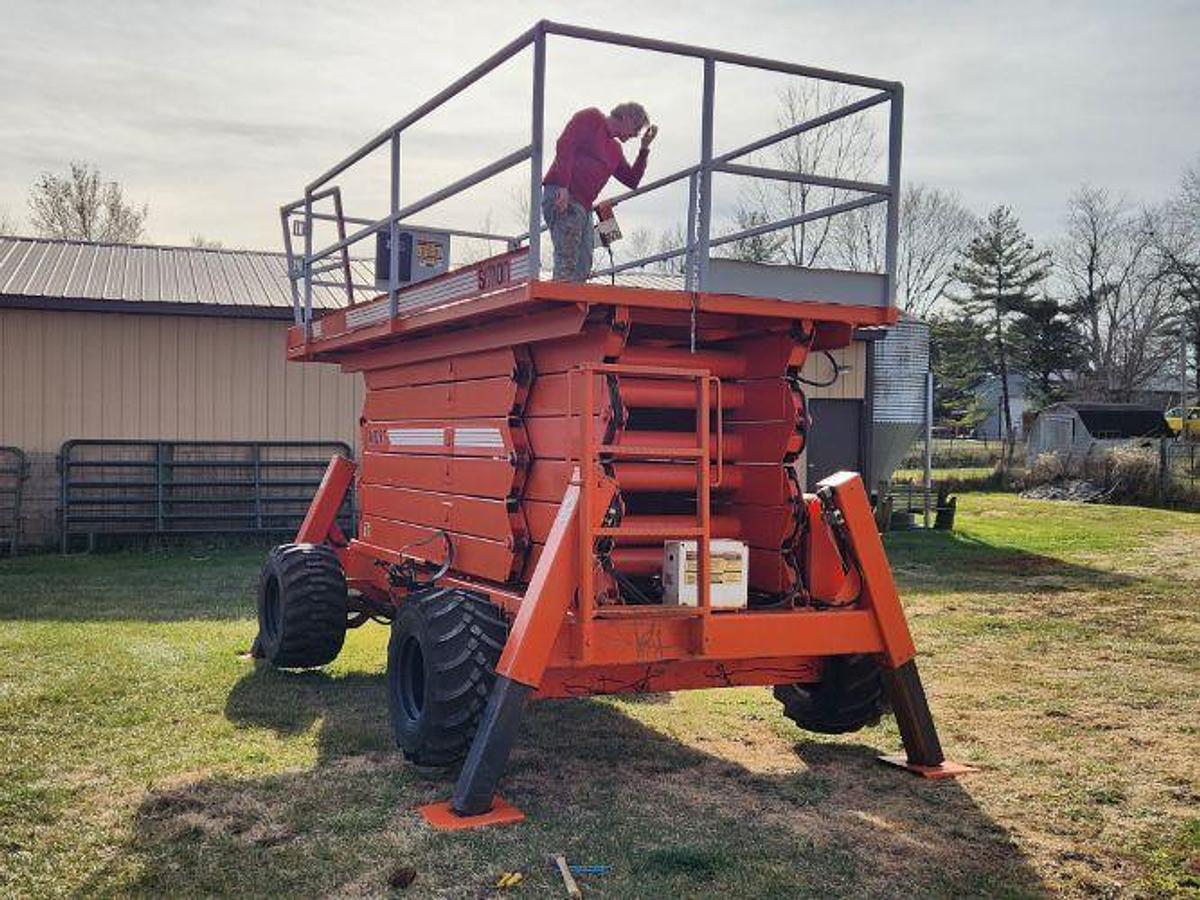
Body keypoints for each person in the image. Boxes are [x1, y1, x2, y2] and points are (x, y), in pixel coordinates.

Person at [541, 102, 658, 281]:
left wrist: (644, 148)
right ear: (626, 118)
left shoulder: (615, 150)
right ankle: (560, 298)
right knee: (568, 256)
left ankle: (573, 302)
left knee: (584, 262)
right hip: (563, 194)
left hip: (584, 207)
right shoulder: (592, 118)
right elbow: (565, 144)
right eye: (635, 129)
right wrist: (563, 186)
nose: (635, 135)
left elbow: (632, 180)